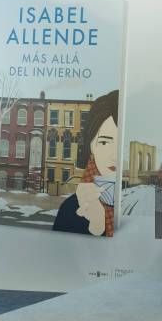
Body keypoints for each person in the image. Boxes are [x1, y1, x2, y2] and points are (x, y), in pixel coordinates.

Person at [52, 90, 118, 236]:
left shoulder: (153, 204)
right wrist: (96, 226)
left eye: (122, 143)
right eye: (104, 142)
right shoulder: (71, 209)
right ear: (92, 146)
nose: (114, 155)